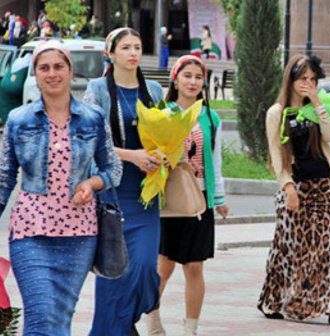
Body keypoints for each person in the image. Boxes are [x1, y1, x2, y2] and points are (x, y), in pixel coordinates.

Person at [0, 40, 121, 335]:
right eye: (44, 68)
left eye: (58, 67)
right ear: (35, 74)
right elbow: (5, 179)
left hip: (79, 236)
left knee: (60, 319)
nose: (52, 74)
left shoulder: (92, 118)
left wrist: (92, 183)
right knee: (41, 317)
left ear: (70, 72)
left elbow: (113, 169)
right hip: (31, 234)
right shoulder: (19, 119)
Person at [84, 27, 164, 336]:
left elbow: (163, 134)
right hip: (112, 194)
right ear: (112, 53)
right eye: (126, 47)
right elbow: (91, 140)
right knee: (114, 273)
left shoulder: (154, 90)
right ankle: (116, 330)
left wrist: (163, 156)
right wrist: (133, 156)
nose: (133, 53)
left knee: (145, 267)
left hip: (146, 194)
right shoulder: (97, 88)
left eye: (137, 47)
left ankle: (122, 323)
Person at [258, 54, 330, 326]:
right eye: (302, 79)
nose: (307, 84)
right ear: (291, 79)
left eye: (312, 79)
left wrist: (319, 103)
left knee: (324, 247)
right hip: (295, 186)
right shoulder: (277, 112)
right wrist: (288, 188)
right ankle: (273, 299)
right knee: (287, 247)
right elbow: (276, 153)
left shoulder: (315, 107)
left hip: (324, 185)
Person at [141, 55, 228, 336]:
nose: (192, 82)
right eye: (187, 75)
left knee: (194, 267)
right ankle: (152, 320)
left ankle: (190, 328)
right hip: (168, 200)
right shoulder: (162, 113)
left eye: (198, 77)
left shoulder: (211, 118)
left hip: (199, 201)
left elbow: (216, 160)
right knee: (163, 266)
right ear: (175, 79)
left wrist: (220, 198)